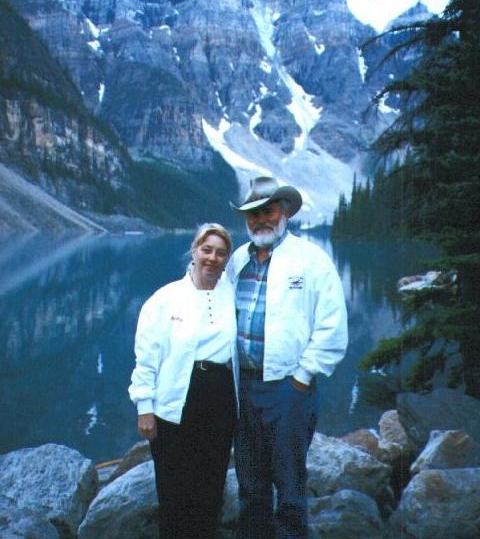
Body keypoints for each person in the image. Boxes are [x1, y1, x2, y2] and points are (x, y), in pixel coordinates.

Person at [227, 176, 348, 539]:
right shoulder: (237, 260)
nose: (260, 220)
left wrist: (302, 377)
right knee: (249, 476)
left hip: (288, 387)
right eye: (253, 214)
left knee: (290, 478)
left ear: (284, 213)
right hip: (243, 385)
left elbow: (332, 326)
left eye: (268, 211)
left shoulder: (311, 259)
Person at [128, 223, 239, 539]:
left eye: (220, 253)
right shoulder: (165, 299)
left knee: (211, 484)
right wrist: (145, 407)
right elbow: (146, 357)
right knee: (174, 488)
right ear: (194, 250)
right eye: (207, 250)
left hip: (219, 399)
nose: (212, 258)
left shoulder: (229, 292)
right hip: (175, 400)